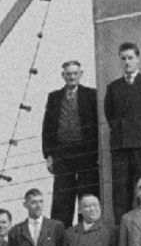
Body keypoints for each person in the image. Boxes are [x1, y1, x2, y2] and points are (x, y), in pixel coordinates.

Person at [103, 42, 141, 209]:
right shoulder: (113, 87)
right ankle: (122, 230)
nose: (127, 62)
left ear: (138, 60)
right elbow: (110, 115)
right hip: (120, 146)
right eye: (123, 58)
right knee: (120, 190)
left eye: (130, 58)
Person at [40, 59, 101, 226]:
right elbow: (47, 127)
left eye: (75, 74)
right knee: (62, 198)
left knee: (87, 194)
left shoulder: (91, 95)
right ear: (63, 76)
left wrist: (97, 153)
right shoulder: (54, 97)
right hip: (62, 153)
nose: (72, 77)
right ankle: (60, 236)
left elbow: (97, 125)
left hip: (86, 152)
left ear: (80, 75)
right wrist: (49, 155)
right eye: (68, 74)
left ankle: (85, 233)